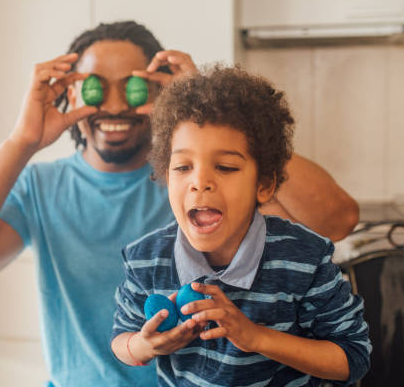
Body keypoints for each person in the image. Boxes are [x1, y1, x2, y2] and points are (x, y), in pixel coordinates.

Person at [0, 21, 359, 386]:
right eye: (97, 87)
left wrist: (215, 113)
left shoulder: (198, 183)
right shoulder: (41, 187)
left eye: (133, 87)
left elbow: (337, 220)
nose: (116, 106)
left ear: (161, 93)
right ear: (72, 91)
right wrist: (22, 140)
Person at [111, 65, 371, 386]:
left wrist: (256, 337)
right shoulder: (145, 259)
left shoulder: (304, 258)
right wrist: (144, 346)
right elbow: (121, 340)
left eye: (225, 166)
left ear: (263, 185)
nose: (200, 182)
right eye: (182, 167)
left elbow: (353, 358)